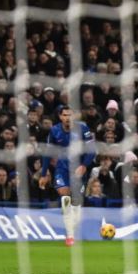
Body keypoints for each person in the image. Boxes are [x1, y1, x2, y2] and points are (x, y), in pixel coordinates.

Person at [48, 104, 95, 246]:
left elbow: (91, 150)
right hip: (62, 169)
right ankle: (69, 235)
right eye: (65, 115)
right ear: (60, 116)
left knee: (76, 204)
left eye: (70, 114)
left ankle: (72, 227)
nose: (68, 117)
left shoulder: (83, 129)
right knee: (64, 195)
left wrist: (84, 165)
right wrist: (45, 172)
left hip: (78, 170)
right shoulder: (55, 130)